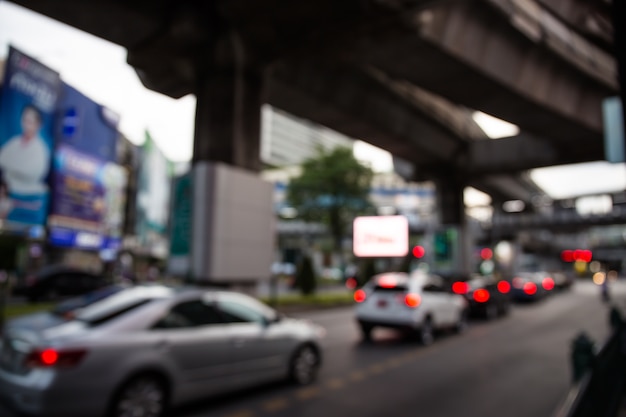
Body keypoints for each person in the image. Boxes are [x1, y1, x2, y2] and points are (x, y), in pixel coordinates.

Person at [0, 104, 50, 197]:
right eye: (24, 120)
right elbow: (2, 158)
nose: (26, 125)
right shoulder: (15, 141)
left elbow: (32, 172)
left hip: (25, 195)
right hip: (6, 189)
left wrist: (10, 164)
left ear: (37, 125)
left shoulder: (41, 149)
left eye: (30, 122)